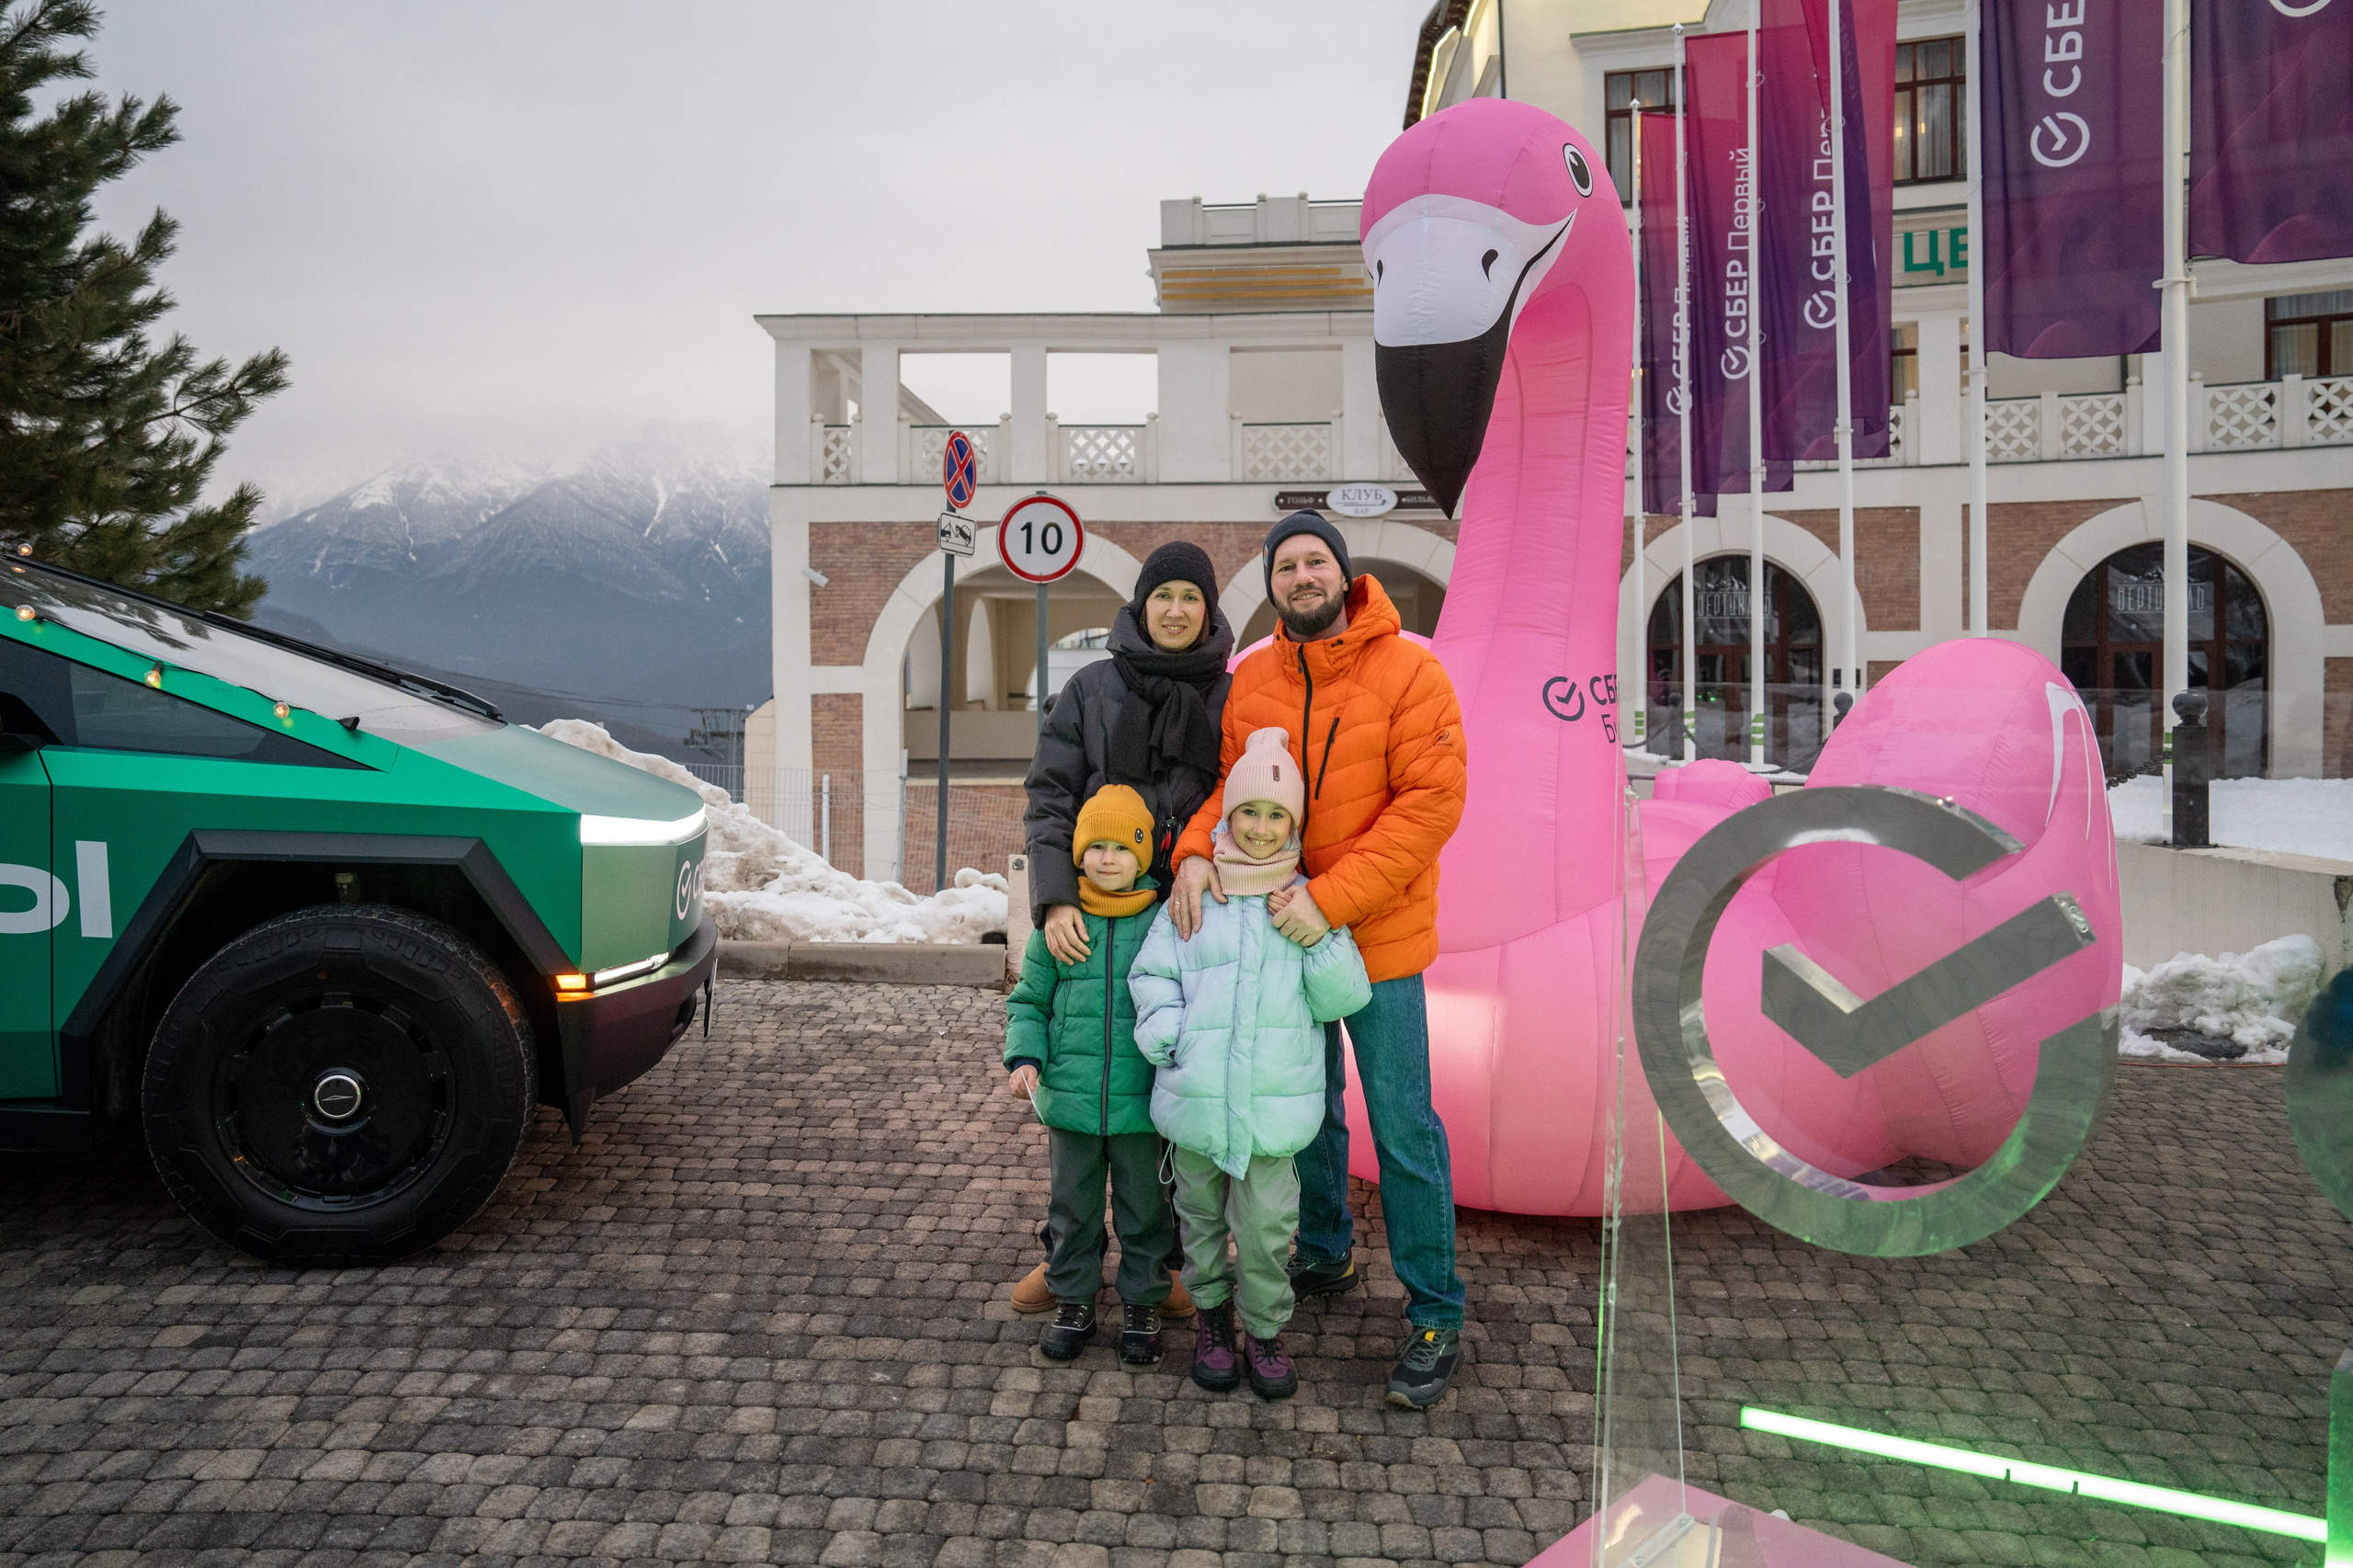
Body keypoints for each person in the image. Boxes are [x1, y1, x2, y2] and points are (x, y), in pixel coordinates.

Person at [1169, 511, 1471, 1409]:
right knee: (1307, 1105)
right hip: (1273, 934)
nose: (1302, 575)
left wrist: (1329, 900)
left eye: (1315, 560)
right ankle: (1325, 1248)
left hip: (1373, 938)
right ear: (1271, 584)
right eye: (1286, 565)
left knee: (1403, 1122)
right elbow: (1231, 788)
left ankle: (1435, 1308)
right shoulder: (1252, 673)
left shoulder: (1412, 668)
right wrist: (1192, 847)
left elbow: (1431, 803)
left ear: (1344, 574)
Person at [1013, 540, 1233, 1315]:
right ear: (1141, 605)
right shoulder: (1090, 689)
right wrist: (1056, 896)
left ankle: (1161, 1264)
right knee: (1088, 1102)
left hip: (1189, 914)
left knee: (1166, 1089)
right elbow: (1049, 799)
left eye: (1191, 597)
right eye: (1163, 595)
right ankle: (1066, 1260)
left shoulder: (1229, 694)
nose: (1176, 610)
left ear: (1209, 610)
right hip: (1096, 908)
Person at [1131, 727, 1371, 1401]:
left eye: (1277, 815)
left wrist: (1320, 933)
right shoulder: (1196, 895)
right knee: (1200, 1220)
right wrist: (1170, 1037)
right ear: (1228, 816)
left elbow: (1343, 999)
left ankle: (1264, 1330)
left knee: (1266, 1231)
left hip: (1272, 1110)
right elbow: (1152, 974)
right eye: (1249, 812)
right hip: (1198, 1099)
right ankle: (1211, 1318)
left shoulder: (1304, 901)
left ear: (1293, 823)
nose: (1262, 828)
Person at [1003, 785, 1176, 1364]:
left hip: (1141, 1104)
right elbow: (1029, 1000)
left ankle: (1142, 1303)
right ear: (1078, 854)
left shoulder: (1162, 923)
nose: (1108, 859)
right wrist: (1025, 1056)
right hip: (1070, 1104)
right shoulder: (1059, 923)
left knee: (1145, 1209)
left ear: (1143, 855)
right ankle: (1073, 1298)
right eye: (1096, 846)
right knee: (1072, 1208)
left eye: (1122, 847)